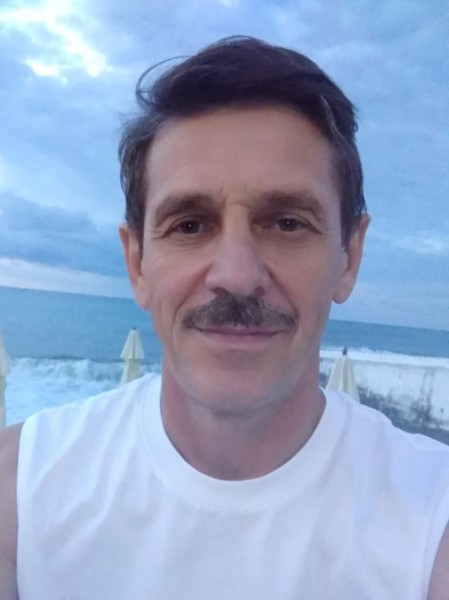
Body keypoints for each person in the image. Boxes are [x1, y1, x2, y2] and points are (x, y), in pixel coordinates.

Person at [0, 36, 448, 600]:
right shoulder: (20, 492)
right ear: (137, 263)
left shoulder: (432, 518)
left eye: (287, 223)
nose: (237, 275)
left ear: (349, 258)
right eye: (189, 225)